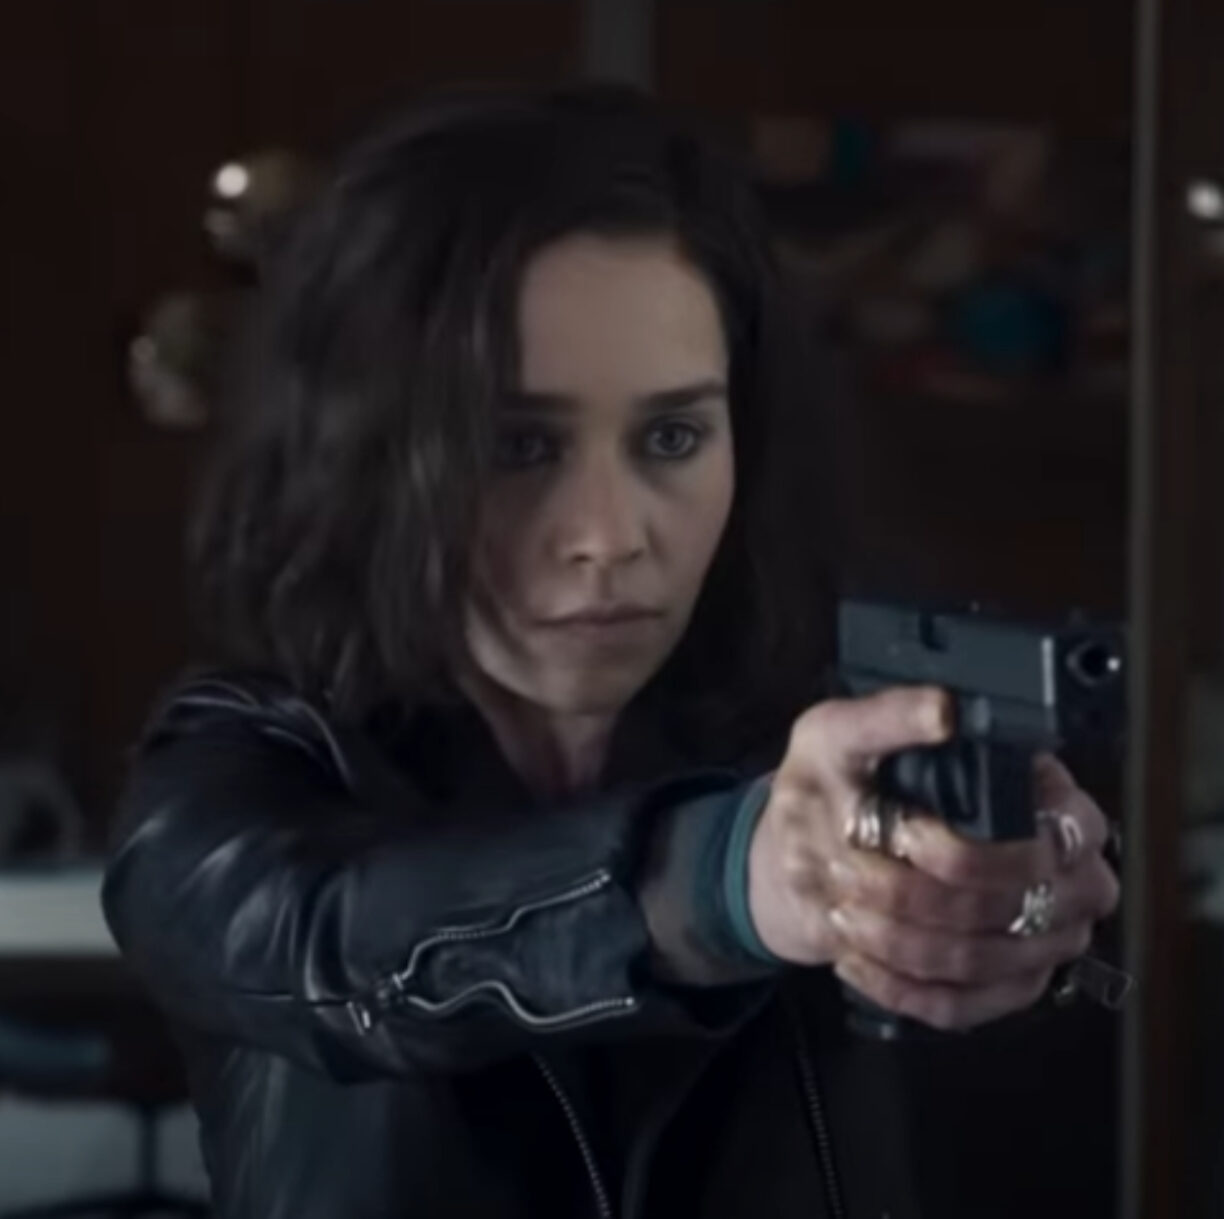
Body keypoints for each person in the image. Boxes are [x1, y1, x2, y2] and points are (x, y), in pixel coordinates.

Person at [100, 84, 1121, 1219]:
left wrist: (1021, 922)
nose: (609, 535)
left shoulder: (823, 737)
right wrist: (728, 880)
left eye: (673, 436)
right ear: (379, 458)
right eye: (518, 445)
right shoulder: (243, 761)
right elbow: (338, 943)